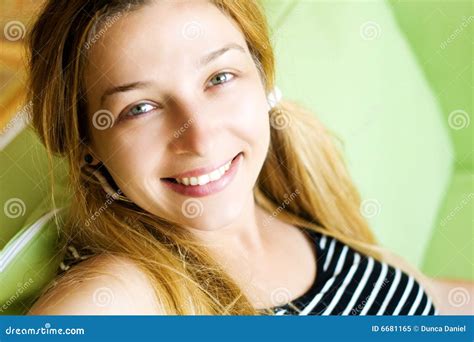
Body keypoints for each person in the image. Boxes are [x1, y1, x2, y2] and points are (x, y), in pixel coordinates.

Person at [26, 0, 471, 315]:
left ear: (263, 81)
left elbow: (434, 302)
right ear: (88, 149)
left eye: (219, 77)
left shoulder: (301, 211)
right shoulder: (121, 294)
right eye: (139, 108)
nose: (198, 137)